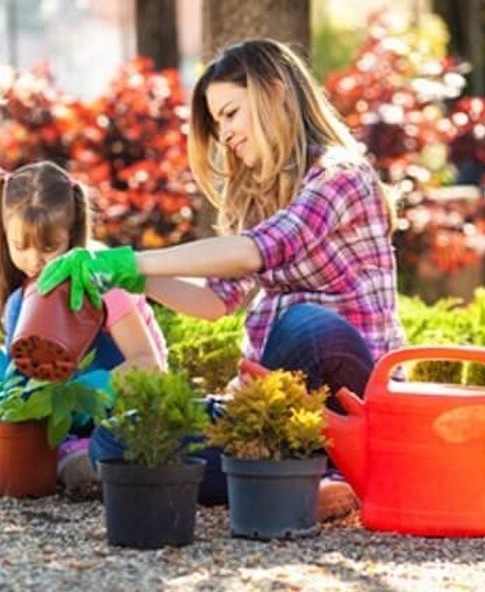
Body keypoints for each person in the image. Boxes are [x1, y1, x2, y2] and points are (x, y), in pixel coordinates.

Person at [37, 39, 406, 520]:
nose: (225, 133)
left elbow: (257, 251)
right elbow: (215, 301)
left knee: (306, 325)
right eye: (217, 122)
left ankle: (302, 474)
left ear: (274, 92)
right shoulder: (259, 193)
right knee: (120, 439)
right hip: (267, 407)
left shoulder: (340, 176)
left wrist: (138, 261)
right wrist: (122, 276)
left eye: (231, 113)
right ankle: (292, 480)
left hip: (351, 396)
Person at [0, 161, 167, 488]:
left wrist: (93, 392)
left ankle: (43, 452)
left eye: (49, 247)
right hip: (45, 415)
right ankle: (59, 453)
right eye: (21, 246)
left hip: (113, 406)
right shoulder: (2, 272)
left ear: (71, 235)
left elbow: (149, 364)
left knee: (25, 301)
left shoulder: (98, 273)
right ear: (5, 232)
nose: (33, 260)